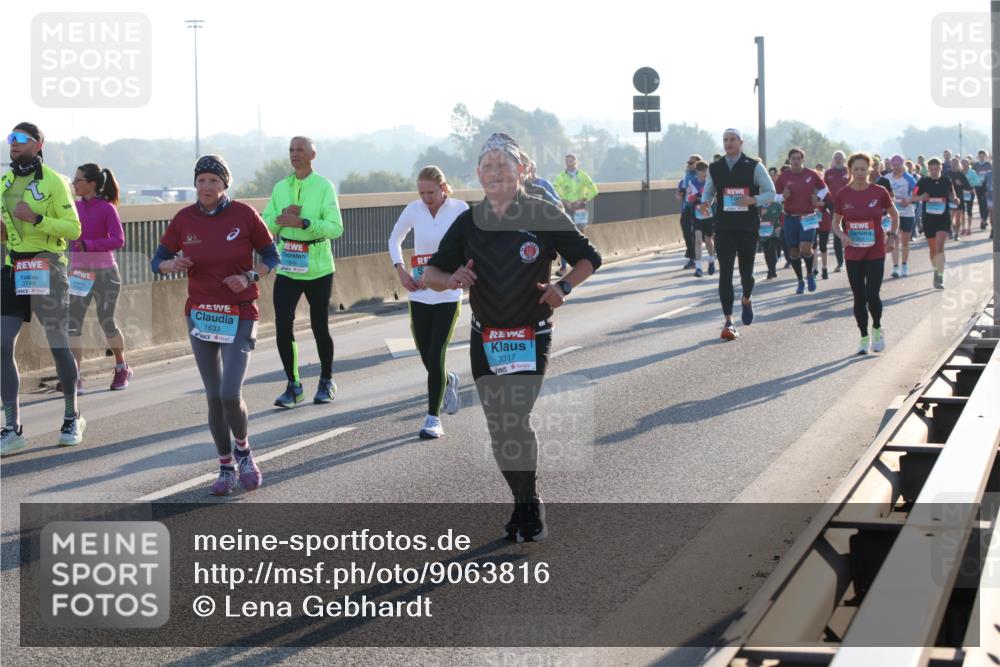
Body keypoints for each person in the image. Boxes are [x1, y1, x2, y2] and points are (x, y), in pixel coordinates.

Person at [423, 133, 601, 542]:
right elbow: (430, 274)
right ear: (478, 175)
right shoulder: (468, 220)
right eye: (488, 167)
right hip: (485, 336)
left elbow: (590, 256)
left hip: (530, 333)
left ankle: (530, 501)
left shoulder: (542, 212)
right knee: (498, 427)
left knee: (514, 419)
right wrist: (451, 278)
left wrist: (563, 287)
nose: (496, 173)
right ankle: (521, 501)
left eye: (504, 166)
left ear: (521, 171)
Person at [152, 155, 279, 495]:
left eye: (213, 180)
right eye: (201, 180)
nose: (206, 186)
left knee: (229, 393)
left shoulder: (244, 215)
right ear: (195, 184)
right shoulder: (184, 218)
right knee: (212, 397)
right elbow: (157, 260)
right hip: (201, 313)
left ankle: (245, 452)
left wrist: (249, 275)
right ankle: (225, 466)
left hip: (239, 313)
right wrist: (172, 264)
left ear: (225, 184)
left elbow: (272, 256)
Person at [1, 122, 86, 456]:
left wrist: (37, 219)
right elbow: (8, 229)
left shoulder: (53, 181)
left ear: (38, 144)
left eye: (21, 139)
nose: (13, 143)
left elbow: (74, 228)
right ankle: (12, 427)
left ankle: (71, 417)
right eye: (10, 139)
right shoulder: (6, 181)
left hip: (47, 263)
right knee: (2, 343)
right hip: (13, 266)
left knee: (56, 342)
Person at [262, 137, 344, 408]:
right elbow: (265, 224)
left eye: (300, 150)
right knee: (283, 324)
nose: (294, 154)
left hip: (318, 266)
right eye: (291, 150)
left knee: (320, 325)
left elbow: (335, 228)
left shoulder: (323, 186)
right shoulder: (280, 187)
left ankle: (326, 380)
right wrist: (281, 218)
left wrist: (304, 222)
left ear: (312, 154)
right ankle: (293, 385)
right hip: (288, 264)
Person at [387, 166, 468, 439]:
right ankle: (448, 380)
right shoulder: (414, 209)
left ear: (444, 187)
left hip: (447, 291)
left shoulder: (460, 209)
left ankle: (432, 418)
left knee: (436, 353)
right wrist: (400, 270)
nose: (426, 198)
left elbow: (471, 244)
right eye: (421, 193)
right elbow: (394, 239)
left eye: (431, 192)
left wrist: (458, 272)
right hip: (419, 292)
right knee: (426, 355)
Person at [699, 129, 776, 339]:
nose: (728, 143)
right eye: (725, 140)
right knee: (725, 274)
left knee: (746, 275)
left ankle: (747, 298)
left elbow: (771, 192)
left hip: (747, 227)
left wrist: (754, 200)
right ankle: (729, 321)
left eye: (732, 139)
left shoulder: (754, 166)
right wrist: (705, 204)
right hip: (724, 227)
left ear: (741, 142)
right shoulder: (715, 168)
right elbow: (708, 192)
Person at [67, 163, 131, 392]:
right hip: (79, 274)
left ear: (91, 183)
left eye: (78, 180)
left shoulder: (106, 208)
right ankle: (75, 376)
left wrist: (89, 245)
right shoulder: (72, 207)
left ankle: (122, 367)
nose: (74, 184)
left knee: (107, 321)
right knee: (72, 324)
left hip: (105, 274)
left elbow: (118, 240)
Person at [832, 153, 899, 355]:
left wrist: (892, 237)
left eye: (863, 169)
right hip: (853, 252)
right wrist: (842, 235)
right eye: (856, 169)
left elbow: (894, 215)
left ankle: (877, 328)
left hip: (875, 251)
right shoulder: (843, 194)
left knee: (872, 295)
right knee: (859, 297)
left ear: (869, 170)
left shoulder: (879, 191)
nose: (860, 173)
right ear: (850, 171)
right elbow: (835, 222)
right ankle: (863, 336)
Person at [775, 148, 828, 294]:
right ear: (789, 160)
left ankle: (810, 274)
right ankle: (800, 280)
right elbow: (775, 196)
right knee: (793, 251)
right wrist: (782, 197)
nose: (796, 161)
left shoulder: (812, 174)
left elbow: (824, 189)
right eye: (793, 158)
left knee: (806, 247)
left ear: (802, 160)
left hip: (808, 216)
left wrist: (817, 198)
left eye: (798, 158)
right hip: (790, 217)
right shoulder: (784, 176)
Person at [914, 157, 957, 289]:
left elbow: (952, 194)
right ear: (928, 169)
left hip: (943, 217)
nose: (933, 171)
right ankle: (936, 270)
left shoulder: (946, 180)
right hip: (928, 219)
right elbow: (913, 196)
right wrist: (921, 197)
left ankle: (939, 275)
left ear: (940, 168)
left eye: (936, 169)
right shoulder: (923, 182)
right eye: (931, 169)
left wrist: (955, 199)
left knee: (939, 248)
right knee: (933, 249)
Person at [553, 153, 598, 276]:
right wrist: (563, 201)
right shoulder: (561, 176)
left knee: (580, 236)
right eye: (567, 161)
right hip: (567, 209)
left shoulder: (583, 175)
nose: (569, 163)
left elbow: (594, 190)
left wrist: (583, 200)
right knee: (565, 236)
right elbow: (554, 191)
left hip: (580, 210)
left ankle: (584, 264)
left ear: (575, 162)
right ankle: (563, 267)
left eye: (571, 161)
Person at [883, 155, 918, 278]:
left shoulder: (909, 178)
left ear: (903, 165)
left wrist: (908, 200)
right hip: (892, 214)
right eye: (894, 165)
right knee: (894, 240)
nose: (896, 167)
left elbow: (917, 193)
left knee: (905, 241)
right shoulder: (887, 178)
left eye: (898, 165)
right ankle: (895, 268)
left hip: (907, 213)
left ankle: (904, 265)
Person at [823, 151, 850, 274]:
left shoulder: (848, 171)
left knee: (850, 232)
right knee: (837, 235)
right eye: (836, 158)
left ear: (844, 159)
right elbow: (823, 189)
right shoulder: (828, 173)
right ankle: (840, 262)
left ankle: (851, 258)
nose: (838, 160)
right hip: (834, 207)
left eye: (840, 158)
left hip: (849, 207)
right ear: (833, 159)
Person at [687, 161, 715, 277]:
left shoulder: (710, 183)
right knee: (698, 240)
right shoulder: (692, 183)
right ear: (697, 172)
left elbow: (715, 197)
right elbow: (688, 198)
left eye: (706, 171)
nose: (704, 173)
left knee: (708, 240)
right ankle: (698, 268)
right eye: (702, 171)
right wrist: (693, 197)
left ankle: (711, 260)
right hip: (697, 213)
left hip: (707, 213)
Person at [675, 155, 702, 270]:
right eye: (688, 163)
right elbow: (679, 194)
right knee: (687, 232)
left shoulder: (703, 176)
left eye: (692, 163)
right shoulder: (685, 177)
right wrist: (679, 194)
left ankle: (713, 253)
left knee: (704, 235)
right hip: (687, 208)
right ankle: (692, 258)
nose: (689, 165)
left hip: (700, 207)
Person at [947, 158, 971, 241]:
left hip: (959, 199)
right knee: (949, 217)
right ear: (950, 164)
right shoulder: (947, 174)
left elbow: (968, 187)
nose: (953, 165)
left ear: (958, 165)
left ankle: (956, 234)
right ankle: (950, 231)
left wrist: (961, 184)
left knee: (958, 218)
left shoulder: (961, 175)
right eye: (952, 164)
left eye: (955, 164)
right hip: (949, 198)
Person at [960, 158, 980, 237]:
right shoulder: (960, 172)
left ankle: (969, 228)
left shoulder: (972, 172)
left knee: (969, 210)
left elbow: (977, 181)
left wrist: (969, 182)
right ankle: (963, 228)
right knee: (962, 211)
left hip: (970, 192)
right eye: (963, 163)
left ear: (969, 164)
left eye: (965, 163)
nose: (964, 165)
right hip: (961, 193)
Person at [973, 149, 991, 229]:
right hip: (978, 186)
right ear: (978, 156)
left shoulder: (988, 164)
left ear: (985, 156)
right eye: (980, 156)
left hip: (987, 186)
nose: (982, 157)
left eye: (983, 156)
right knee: (981, 203)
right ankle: (983, 219)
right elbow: (973, 175)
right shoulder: (976, 165)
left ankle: (984, 219)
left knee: (987, 203)